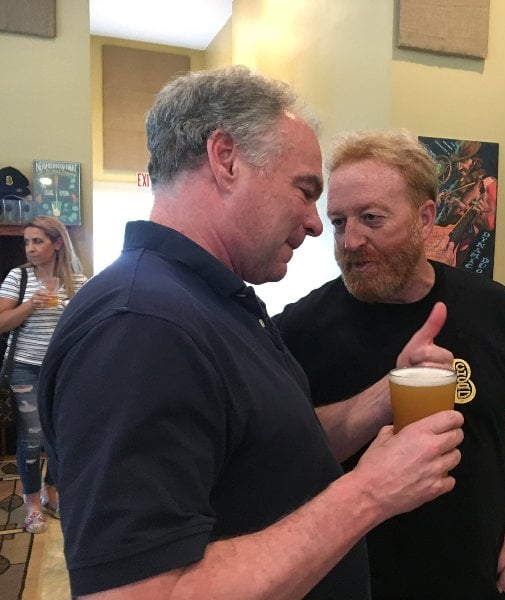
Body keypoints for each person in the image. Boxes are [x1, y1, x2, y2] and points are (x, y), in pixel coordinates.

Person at [38, 66, 464, 599]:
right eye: (305, 191)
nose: (315, 223)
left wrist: (387, 395)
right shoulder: (140, 327)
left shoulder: (209, 302)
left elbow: (273, 456)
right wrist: (369, 493)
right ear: (226, 159)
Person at [273, 129, 505, 598]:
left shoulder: (494, 311)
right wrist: (387, 393)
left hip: (472, 584)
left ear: (425, 217)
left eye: (371, 218)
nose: (350, 240)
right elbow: (279, 458)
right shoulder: (301, 329)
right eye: (338, 221)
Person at [0, 215, 86, 533]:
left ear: (58, 243)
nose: (30, 248)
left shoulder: (77, 281)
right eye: (27, 241)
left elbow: (88, 325)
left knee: (60, 436)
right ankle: (32, 501)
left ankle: (54, 493)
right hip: (25, 366)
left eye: (38, 241)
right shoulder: (17, 278)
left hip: (64, 369)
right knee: (33, 436)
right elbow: (2, 323)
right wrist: (29, 306)